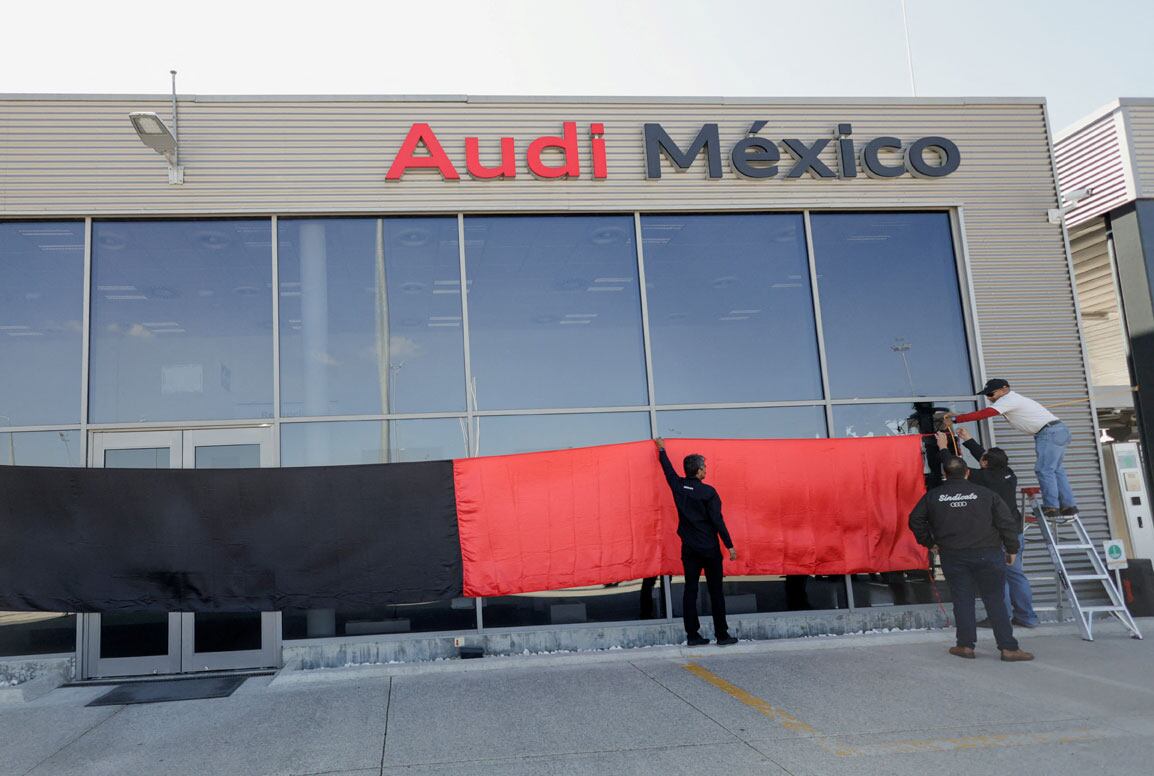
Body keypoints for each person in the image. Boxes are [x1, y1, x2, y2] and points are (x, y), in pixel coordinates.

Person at [908, 455, 1035, 661]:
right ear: (967, 472)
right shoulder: (986, 494)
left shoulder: (934, 496)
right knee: (995, 600)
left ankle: (965, 646)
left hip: (953, 555)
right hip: (988, 553)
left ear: (944, 475)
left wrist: (930, 543)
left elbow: (915, 520)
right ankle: (1008, 648)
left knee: (962, 599)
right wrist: (1012, 549)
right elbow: (1006, 522)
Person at [937, 429, 1039, 629]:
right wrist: (968, 440)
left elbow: (956, 469)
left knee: (998, 577)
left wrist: (943, 447)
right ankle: (1027, 617)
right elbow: (988, 460)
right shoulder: (1009, 474)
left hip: (995, 535)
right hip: (1015, 532)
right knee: (1016, 575)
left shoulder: (982, 478)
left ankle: (999, 618)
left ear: (984, 464)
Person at [945, 379, 1077, 518]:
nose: (989, 398)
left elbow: (985, 413)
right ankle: (1068, 506)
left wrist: (956, 420)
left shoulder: (1008, 399)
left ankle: (1051, 507)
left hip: (1049, 432)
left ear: (1004, 389)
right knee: (1056, 470)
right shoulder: (1011, 400)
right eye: (987, 395)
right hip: (1056, 431)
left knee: (1044, 469)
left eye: (991, 394)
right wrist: (958, 416)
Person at [653, 437, 738, 646]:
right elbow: (718, 521)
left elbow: (668, 471)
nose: (705, 470)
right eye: (704, 467)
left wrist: (662, 451)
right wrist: (729, 545)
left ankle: (692, 635)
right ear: (699, 471)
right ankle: (722, 635)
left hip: (689, 549)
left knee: (690, 591)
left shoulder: (679, 487)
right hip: (709, 549)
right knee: (716, 591)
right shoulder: (708, 492)